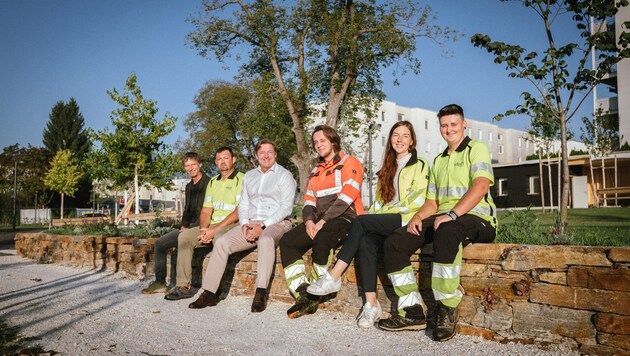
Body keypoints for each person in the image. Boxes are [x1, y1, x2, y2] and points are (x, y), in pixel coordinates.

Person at [376, 104, 496, 342]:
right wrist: (418, 218)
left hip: (478, 219)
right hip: (443, 218)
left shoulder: (477, 149)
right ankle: (411, 312)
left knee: (446, 231)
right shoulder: (439, 160)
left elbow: (481, 186)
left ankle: (446, 307)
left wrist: (452, 215)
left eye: (453, 124)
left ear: (464, 124)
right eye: (444, 125)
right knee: (395, 242)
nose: (449, 129)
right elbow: (432, 201)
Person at [307, 121, 429, 328]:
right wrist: (377, 218)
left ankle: (334, 275)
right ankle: (371, 304)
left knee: (361, 221)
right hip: (388, 220)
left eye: (405, 136)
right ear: (390, 139)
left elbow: (418, 200)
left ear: (412, 141)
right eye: (395, 135)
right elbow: (380, 203)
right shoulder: (385, 169)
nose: (399, 140)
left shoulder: (420, 165)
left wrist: (379, 218)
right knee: (365, 242)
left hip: (407, 217)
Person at [188, 139, 296, 312]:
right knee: (222, 242)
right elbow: (244, 204)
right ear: (256, 155)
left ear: (275, 154)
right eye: (262, 153)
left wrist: (263, 226)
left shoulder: (285, 175)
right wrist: (245, 224)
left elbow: (286, 207)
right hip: (251, 222)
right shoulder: (250, 176)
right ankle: (209, 293)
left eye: (269, 152)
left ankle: (260, 293)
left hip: (277, 222)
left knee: (266, 239)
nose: (266, 155)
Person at [280, 125, 364, 319]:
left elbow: (347, 197)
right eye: (316, 142)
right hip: (319, 220)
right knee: (287, 241)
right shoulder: (316, 170)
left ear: (333, 141)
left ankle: (314, 294)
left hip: (347, 218)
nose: (318, 145)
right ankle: (302, 292)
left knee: (323, 237)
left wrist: (323, 221)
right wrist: (309, 221)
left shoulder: (349, 162)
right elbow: (309, 200)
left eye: (322, 141)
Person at [165, 147, 244, 300]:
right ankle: (183, 286)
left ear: (233, 160)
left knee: (219, 237)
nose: (222, 161)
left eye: (226, 158)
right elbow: (206, 211)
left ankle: (216, 288)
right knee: (185, 237)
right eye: (219, 159)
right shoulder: (213, 182)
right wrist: (203, 229)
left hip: (232, 224)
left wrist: (213, 231)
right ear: (215, 162)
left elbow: (238, 212)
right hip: (212, 226)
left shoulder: (242, 179)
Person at [142, 152, 210, 294]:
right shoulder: (189, 186)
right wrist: (183, 225)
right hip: (189, 227)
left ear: (200, 164)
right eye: (187, 166)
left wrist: (191, 228)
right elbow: (187, 210)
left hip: (203, 226)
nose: (190, 168)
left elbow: (207, 210)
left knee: (183, 241)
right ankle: (160, 282)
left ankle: (184, 285)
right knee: (160, 243)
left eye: (193, 164)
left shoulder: (209, 183)